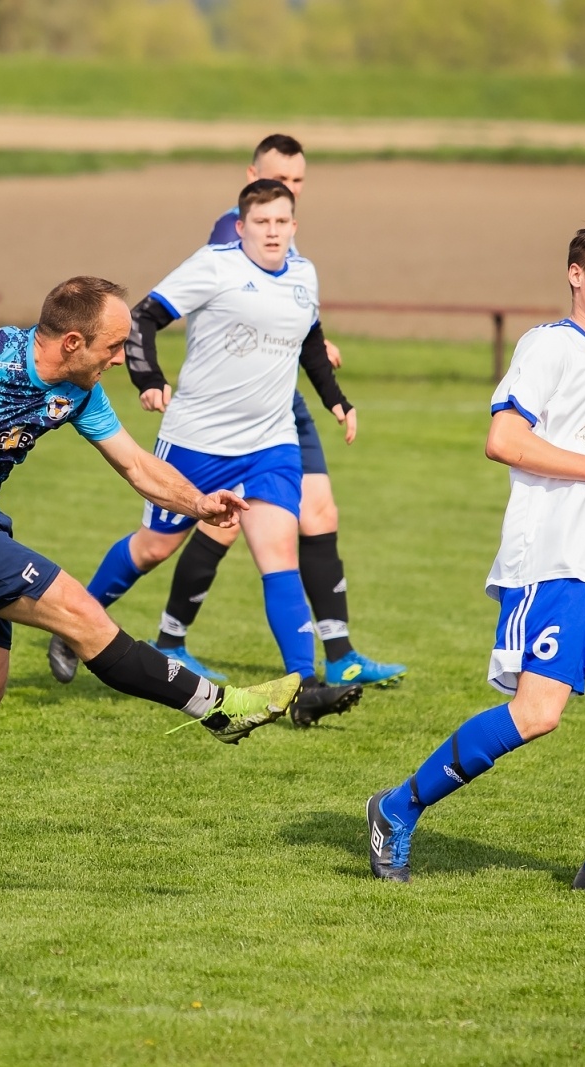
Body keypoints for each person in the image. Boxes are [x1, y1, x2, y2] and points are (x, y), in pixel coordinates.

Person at [0, 276, 304, 898]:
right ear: (72, 341)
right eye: (114, 347)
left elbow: (137, 466)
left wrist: (200, 503)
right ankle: (219, 710)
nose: (122, 360)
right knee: (82, 614)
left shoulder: (78, 392)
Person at [365, 219, 585, 898]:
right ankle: (397, 806)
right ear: (577, 275)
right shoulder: (549, 347)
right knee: (538, 712)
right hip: (555, 563)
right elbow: (505, 439)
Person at [49, 180, 362, 726]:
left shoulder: (304, 274)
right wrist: (148, 378)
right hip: (197, 442)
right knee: (153, 548)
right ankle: (74, 627)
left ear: (294, 226)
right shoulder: (213, 266)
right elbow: (143, 317)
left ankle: (304, 686)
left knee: (278, 554)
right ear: (240, 227)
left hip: (271, 443)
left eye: (282, 222)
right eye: (261, 223)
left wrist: (336, 400)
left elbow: (310, 340)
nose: (272, 232)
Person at [139, 134, 406, 689]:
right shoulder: (229, 237)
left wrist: (333, 391)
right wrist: (150, 377)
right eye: (277, 181)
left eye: (297, 183)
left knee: (308, 520)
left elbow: (304, 326)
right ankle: (159, 639)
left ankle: (327, 662)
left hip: (279, 416)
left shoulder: (299, 260)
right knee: (178, 539)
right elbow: (180, 312)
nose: (287, 193)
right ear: (250, 184)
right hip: (218, 419)